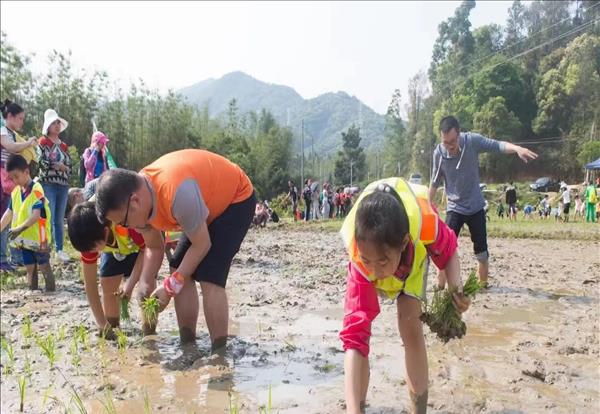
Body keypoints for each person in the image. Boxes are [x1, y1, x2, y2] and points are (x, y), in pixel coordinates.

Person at [94, 149, 255, 349]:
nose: (126, 228)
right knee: (178, 266)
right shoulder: (140, 198)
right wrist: (146, 281)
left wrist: (170, 288)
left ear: (134, 201)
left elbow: (202, 244)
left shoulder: (176, 193)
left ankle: (219, 351)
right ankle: (188, 343)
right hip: (202, 208)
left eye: (123, 222)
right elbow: (153, 246)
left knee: (210, 275)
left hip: (235, 199)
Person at [339, 178, 469, 414]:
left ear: (403, 243)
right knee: (359, 336)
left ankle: (418, 409)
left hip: (411, 265)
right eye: (369, 260)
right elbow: (354, 341)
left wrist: (456, 289)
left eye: (382, 261)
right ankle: (357, 406)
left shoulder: (424, 224)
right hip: (372, 263)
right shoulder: (361, 260)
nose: (376, 272)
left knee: (410, 329)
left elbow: (449, 251)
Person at [429, 116, 537, 287]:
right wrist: (428, 207)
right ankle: (440, 287)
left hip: (475, 206)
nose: (449, 147)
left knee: (481, 251)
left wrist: (517, 148)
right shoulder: (439, 153)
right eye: (445, 142)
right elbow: (434, 182)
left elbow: (497, 145)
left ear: (459, 134)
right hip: (454, 207)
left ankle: (483, 286)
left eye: (452, 141)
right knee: (443, 250)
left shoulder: (472, 141)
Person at [68, 200, 146, 337]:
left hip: (142, 246)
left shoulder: (127, 220)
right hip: (114, 249)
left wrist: (130, 284)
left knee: (147, 289)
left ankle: (149, 331)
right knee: (108, 286)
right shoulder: (88, 239)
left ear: (105, 232)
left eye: (93, 249)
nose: (92, 253)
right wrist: (102, 324)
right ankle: (113, 325)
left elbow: (147, 251)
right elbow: (91, 284)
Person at [0, 155, 54, 291]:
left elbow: (36, 215)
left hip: (40, 238)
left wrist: (19, 228)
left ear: (26, 172)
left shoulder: (36, 189)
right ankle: (33, 293)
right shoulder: (16, 192)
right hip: (25, 240)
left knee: (43, 266)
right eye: (11, 178)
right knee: (30, 268)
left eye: (16, 177)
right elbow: (9, 213)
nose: (15, 181)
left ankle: (51, 291)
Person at [1, 100, 38, 271]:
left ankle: (5, 257)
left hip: (9, 182)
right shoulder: (3, 131)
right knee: (4, 217)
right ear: (10, 116)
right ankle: (2, 258)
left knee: (8, 219)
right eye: (20, 118)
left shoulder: (13, 134)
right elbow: (11, 147)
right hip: (2, 180)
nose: (22, 122)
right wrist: (28, 143)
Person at [37, 109, 72, 263]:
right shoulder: (43, 142)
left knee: (59, 219)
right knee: (48, 216)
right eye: (53, 123)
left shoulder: (64, 146)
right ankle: (46, 248)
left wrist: (64, 167)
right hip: (48, 184)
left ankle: (60, 249)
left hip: (63, 185)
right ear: (48, 126)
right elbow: (40, 163)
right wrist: (55, 165)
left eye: (58, 122)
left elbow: (70, 165)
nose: (57, 125)